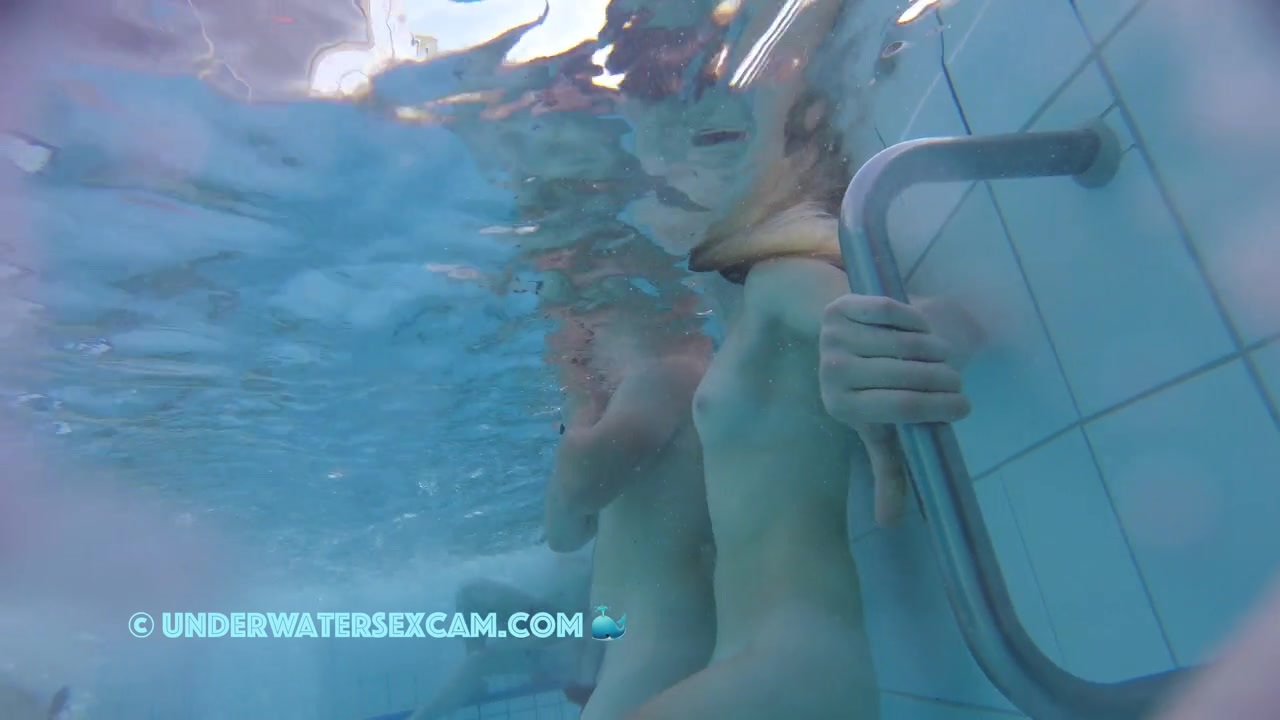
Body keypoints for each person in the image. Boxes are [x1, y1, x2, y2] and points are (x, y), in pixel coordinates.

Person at [623, 20, 982, 720]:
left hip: (790, 662)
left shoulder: (782, 279)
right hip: (778, 661)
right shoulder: (758, 300)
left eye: (707, 147)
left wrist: (913, 338)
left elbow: (912, 322)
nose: (670, 182)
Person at [543, 313, 717, 720]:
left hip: (664, 643)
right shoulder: (626, 415)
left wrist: (579, 403)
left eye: (581, 346)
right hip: (641, 644)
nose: (575, 362)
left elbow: (577, 491)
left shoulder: (667, 374)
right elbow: (562, 536)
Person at [406, 548, 594, 719]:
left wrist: (530, 642)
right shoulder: (584, 545)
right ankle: (475, 681)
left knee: (478, 661)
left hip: (566, 648)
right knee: (469, 592)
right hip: (550, 618)